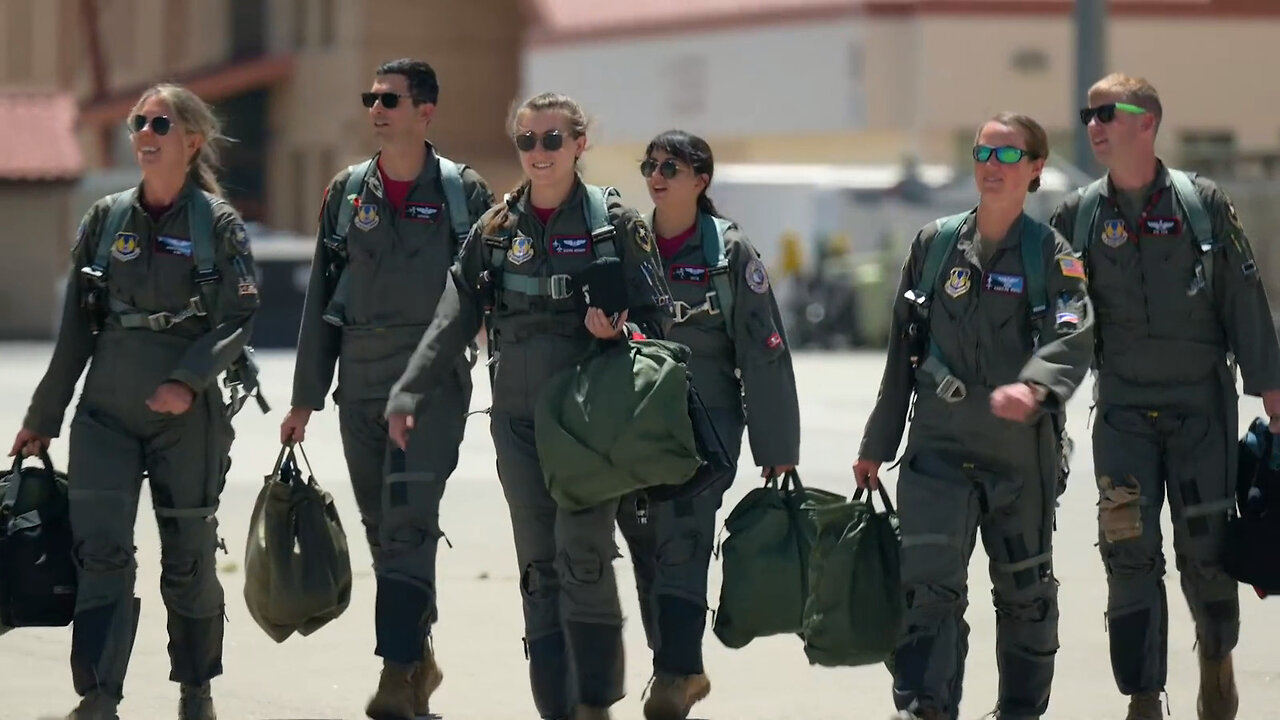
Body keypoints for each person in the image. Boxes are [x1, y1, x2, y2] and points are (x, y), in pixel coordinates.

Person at [384, 92, 673, 720]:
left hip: (592, 430)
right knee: (540, 570)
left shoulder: (614, 224)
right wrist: (410, 387)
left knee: (585, 555)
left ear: (578, 144)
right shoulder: (496, 230)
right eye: (526, 141)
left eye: (551, 140)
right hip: (516, 424)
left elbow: (659, 328)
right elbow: (453, 314)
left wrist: (618, 333)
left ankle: (595, 705)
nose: (538, 153)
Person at [8, 83, 260, 720]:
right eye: (138, 123)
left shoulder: (218, 225)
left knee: (188, 559)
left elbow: (237, 317)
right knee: (101, 554)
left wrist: (189, 378)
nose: (145, 133)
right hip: (105, 415)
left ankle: (195, 688)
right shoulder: (105, 218)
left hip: (187, 420)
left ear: (192, 140)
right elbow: (75, 329)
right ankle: (99, 696)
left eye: (160, 123)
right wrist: (42, 418)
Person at [1048, 73, 1280, 720]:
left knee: (1205, 554)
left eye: (1106, 113)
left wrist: (1273, 387)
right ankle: (1144, 697)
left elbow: (1243, 293)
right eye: (1088, 114)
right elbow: (1064, 319)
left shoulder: (1201, 204)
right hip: (1122, 414)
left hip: (1201, 411)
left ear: (1145, 122)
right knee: (1127, 554)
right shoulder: (1078, 216)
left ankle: (1216, 661)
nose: (1093, 124)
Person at [854, 113, 1095, 720]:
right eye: (983, 152)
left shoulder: (1051, 255)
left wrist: (1036, 389)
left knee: (1024, 598)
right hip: (936, 451)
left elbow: (1072, 332)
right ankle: (928, 707)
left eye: (1009, 156)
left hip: (1020, 458)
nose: (992, 165)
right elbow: (901, 354)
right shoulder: (935, 246)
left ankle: (1018, 709)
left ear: (1036, 168)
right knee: (928, 590)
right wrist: (877, 445)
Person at [278, 58, 493, 720]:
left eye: (389, 99)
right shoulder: (347, 193)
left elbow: (491, 293)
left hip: (431, 383)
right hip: (359, 384)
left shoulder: (464, 193)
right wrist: (305, 398)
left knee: (407, 523)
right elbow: (320, 298)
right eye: (370, 97)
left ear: (425, 110)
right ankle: (418, 654)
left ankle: (395, 673)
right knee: (383, 528)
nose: (376, 107)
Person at [614, 130, 800, 720]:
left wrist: (777, 445)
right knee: (645, 541)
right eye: (650, 164)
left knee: (683, 542)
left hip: (707, 425)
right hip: (634, 425)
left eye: (672, 165)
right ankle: (679, 663)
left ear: (701, 180)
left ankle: (673, 676)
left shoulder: (729, 253)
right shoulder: (627, 247)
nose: (657, 174)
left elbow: (765, 350)